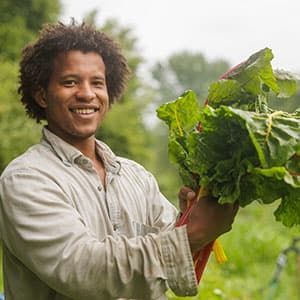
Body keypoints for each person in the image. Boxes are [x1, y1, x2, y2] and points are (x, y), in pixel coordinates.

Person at [0, 21, 238, 300]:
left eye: (97, 83)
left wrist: (190, 219)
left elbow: (176, 270)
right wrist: (190, 236)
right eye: (70, 82)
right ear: (42, 95)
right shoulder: (26, 180)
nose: (87, 93)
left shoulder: (136, 177)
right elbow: (83, 271)